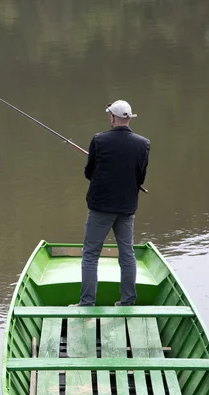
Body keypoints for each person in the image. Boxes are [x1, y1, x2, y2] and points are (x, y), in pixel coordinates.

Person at [78, 100, 150, 306]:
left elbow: (88, 173)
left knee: (91, 254)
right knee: (127, 254)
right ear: (128, 118)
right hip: (127, 208)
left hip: (100, 207)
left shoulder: (99, 140)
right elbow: (140, 177)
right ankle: (128, 301)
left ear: (112, 118)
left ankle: (87, 303)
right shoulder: (143, 144)